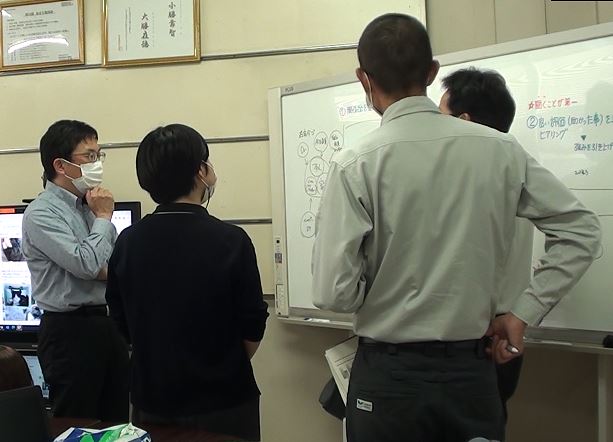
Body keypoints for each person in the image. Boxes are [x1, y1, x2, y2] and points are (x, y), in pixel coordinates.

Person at [312, 13, 601, 442]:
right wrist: (523, 311)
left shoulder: (355, 163)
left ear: (363, 79)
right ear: (432, 72)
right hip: (471, 373)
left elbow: (333, 294)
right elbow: (581, 231)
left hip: (389, 377)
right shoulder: (501, 150)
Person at [106, 124, 269, 441]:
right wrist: (220, 364)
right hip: (225, 400)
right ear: (201, 171)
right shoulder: (231, 240)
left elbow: (120, 320)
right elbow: (252, 323)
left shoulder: (127, 242)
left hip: (152, 400)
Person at [439, 67, 532, 421]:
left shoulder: (461, 186)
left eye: (441, 116)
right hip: (503, 336)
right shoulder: (520, 170)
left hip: (474, 344)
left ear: (464, 122)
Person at [21, 120, 129, 421]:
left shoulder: (88, 206)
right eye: (89, 156)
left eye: (99, 155)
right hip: (69, 332)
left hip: (107, 324)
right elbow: (87, 264)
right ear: (61, 165)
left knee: (117, 423)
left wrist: (95, 263)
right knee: (78, 423)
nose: (97, 164)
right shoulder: (41, 213)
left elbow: (113, 266)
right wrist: (104, 217)